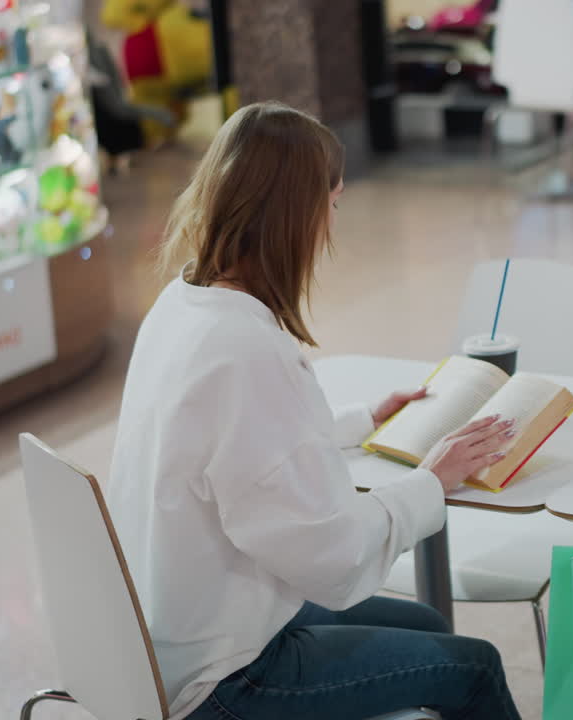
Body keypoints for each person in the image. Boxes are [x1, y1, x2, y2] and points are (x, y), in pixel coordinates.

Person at [106, 101, 523, 720]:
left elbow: (232, 451)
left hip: (176, 628)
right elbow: (331, 558)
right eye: (333, 202)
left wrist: (361, 421)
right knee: (475, 667)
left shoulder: (182, 304)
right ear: (297, 218)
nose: (333, 220)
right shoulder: (246, 349)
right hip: (224, 678)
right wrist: (430, 483)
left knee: (427, 622)